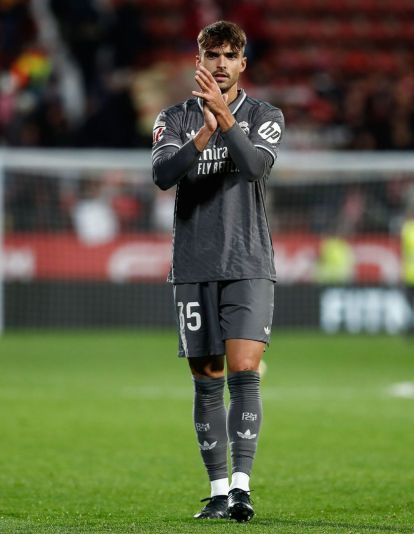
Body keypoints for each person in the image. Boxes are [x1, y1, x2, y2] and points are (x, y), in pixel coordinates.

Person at [152, 20, 284, 522]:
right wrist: (207, 127)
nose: (222, 64)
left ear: (243, 63)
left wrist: (226, 119)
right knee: (207, 380)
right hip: (193, 265)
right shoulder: (174, 118)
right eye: (214, 55)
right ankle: (216, 489)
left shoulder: (264, 115)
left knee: (244, 374)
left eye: (231, 55)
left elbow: (254, 168)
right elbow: (164, 175)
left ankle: (242, 489)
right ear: (199, 61)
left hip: (248, 262)